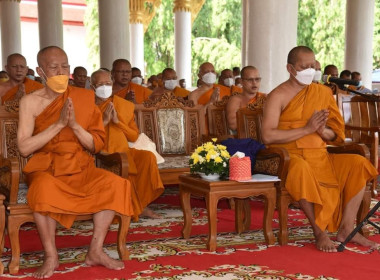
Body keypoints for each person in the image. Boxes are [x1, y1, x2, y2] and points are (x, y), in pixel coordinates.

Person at [17, 46, 133, 278]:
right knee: (41, 189)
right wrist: (58, 125)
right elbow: (24, 147)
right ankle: (51, 255)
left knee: (116, 184)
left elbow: (95, 145)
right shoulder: (30, 102)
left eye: (65, 66)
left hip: (80, 166)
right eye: (54, 68)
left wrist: (74, 126)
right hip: (46, 167)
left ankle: (96, 250)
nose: (61, 72)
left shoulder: (83, 97)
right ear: (40, 71)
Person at [261, 46, 378, 253]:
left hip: (321, 155)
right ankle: (319, 232)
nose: (309, 70)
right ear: (290, 68)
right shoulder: (277, 95)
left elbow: (337, 134)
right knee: (299, 169)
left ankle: (347, 229)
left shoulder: (322, 92)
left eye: (312, 66)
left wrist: (323, 131)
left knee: (359, 163)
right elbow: (268, 136)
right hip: (289, 157)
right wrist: (306, 129)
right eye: (303, 67)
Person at [91, 69, 164, 219]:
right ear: (92, 87)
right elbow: (87, 136)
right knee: (123, 162)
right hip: (102, 153)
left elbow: (133, 136)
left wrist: (118, 123)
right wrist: (104, 121)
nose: (105, 87)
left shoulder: (122, 105)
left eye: (107, 83)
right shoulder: (87, 107)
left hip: (124, 150)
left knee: (147, 158)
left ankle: (140, 204)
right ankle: (133, 208)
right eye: (100, 84)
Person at [226, 66, 266, 134]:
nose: (254, 83)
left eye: (257, 79)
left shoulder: (264, 98)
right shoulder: (235, 100)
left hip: (265, 136)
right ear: (241, 81)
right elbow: (233, 126)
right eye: (250, 80)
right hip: (244, 138)